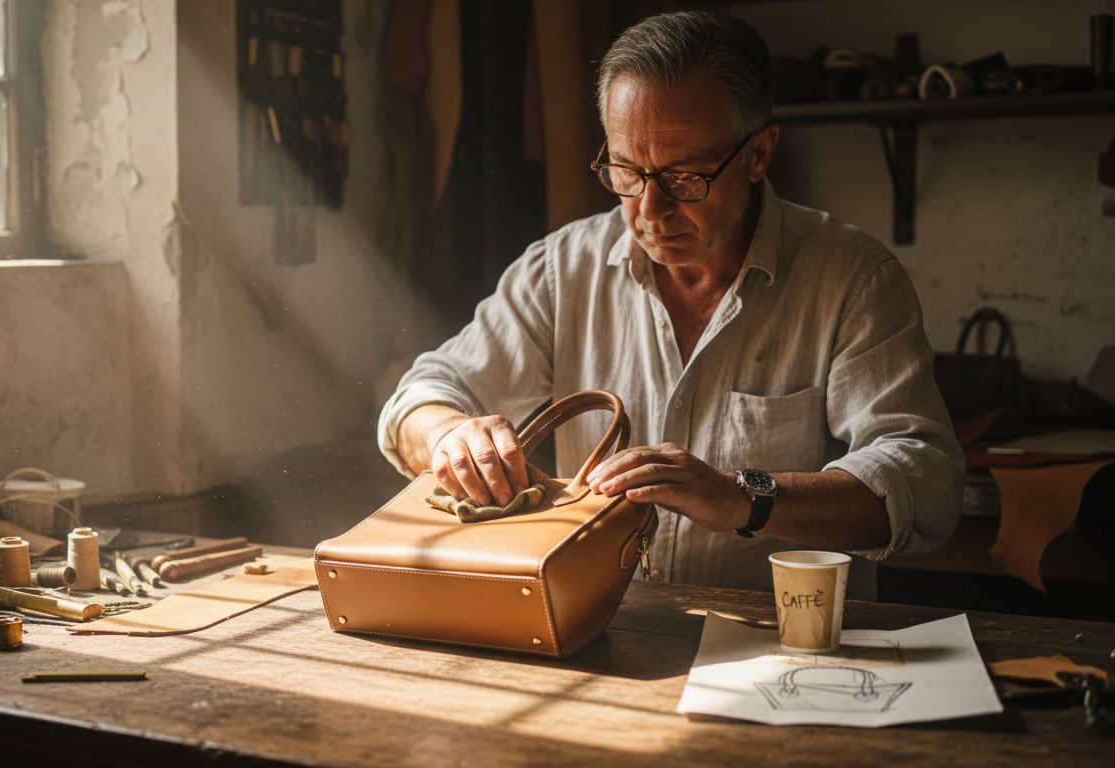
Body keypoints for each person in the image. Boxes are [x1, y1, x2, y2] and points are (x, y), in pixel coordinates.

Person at [377, 11, 963, 598]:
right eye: (627, 171)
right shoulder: (563, 268)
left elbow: (927, 481)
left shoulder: (852, 278)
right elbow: (422, 395)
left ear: (759, 154)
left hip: (782, 644)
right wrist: (450, 434)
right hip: (598, 628)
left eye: (685, 177)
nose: (649, 209)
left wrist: (744, 497)